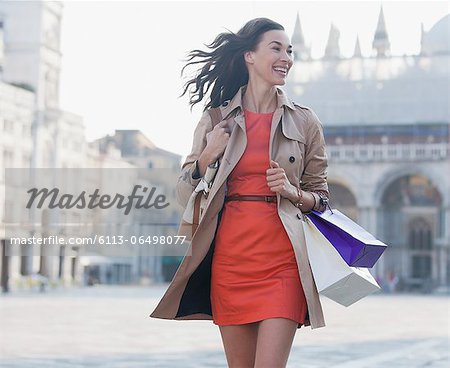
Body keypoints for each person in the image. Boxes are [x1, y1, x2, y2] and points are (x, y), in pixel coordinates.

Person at [150, 18, 330, 367]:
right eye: (276, 48)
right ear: (249, 55)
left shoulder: (305, 122)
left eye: (289, 50)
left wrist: (293, 193)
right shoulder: (216, 118)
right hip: (231, 263)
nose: (286, 58)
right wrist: (206, 157)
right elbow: (183, 194)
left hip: (284, 263)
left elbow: (322, 199)